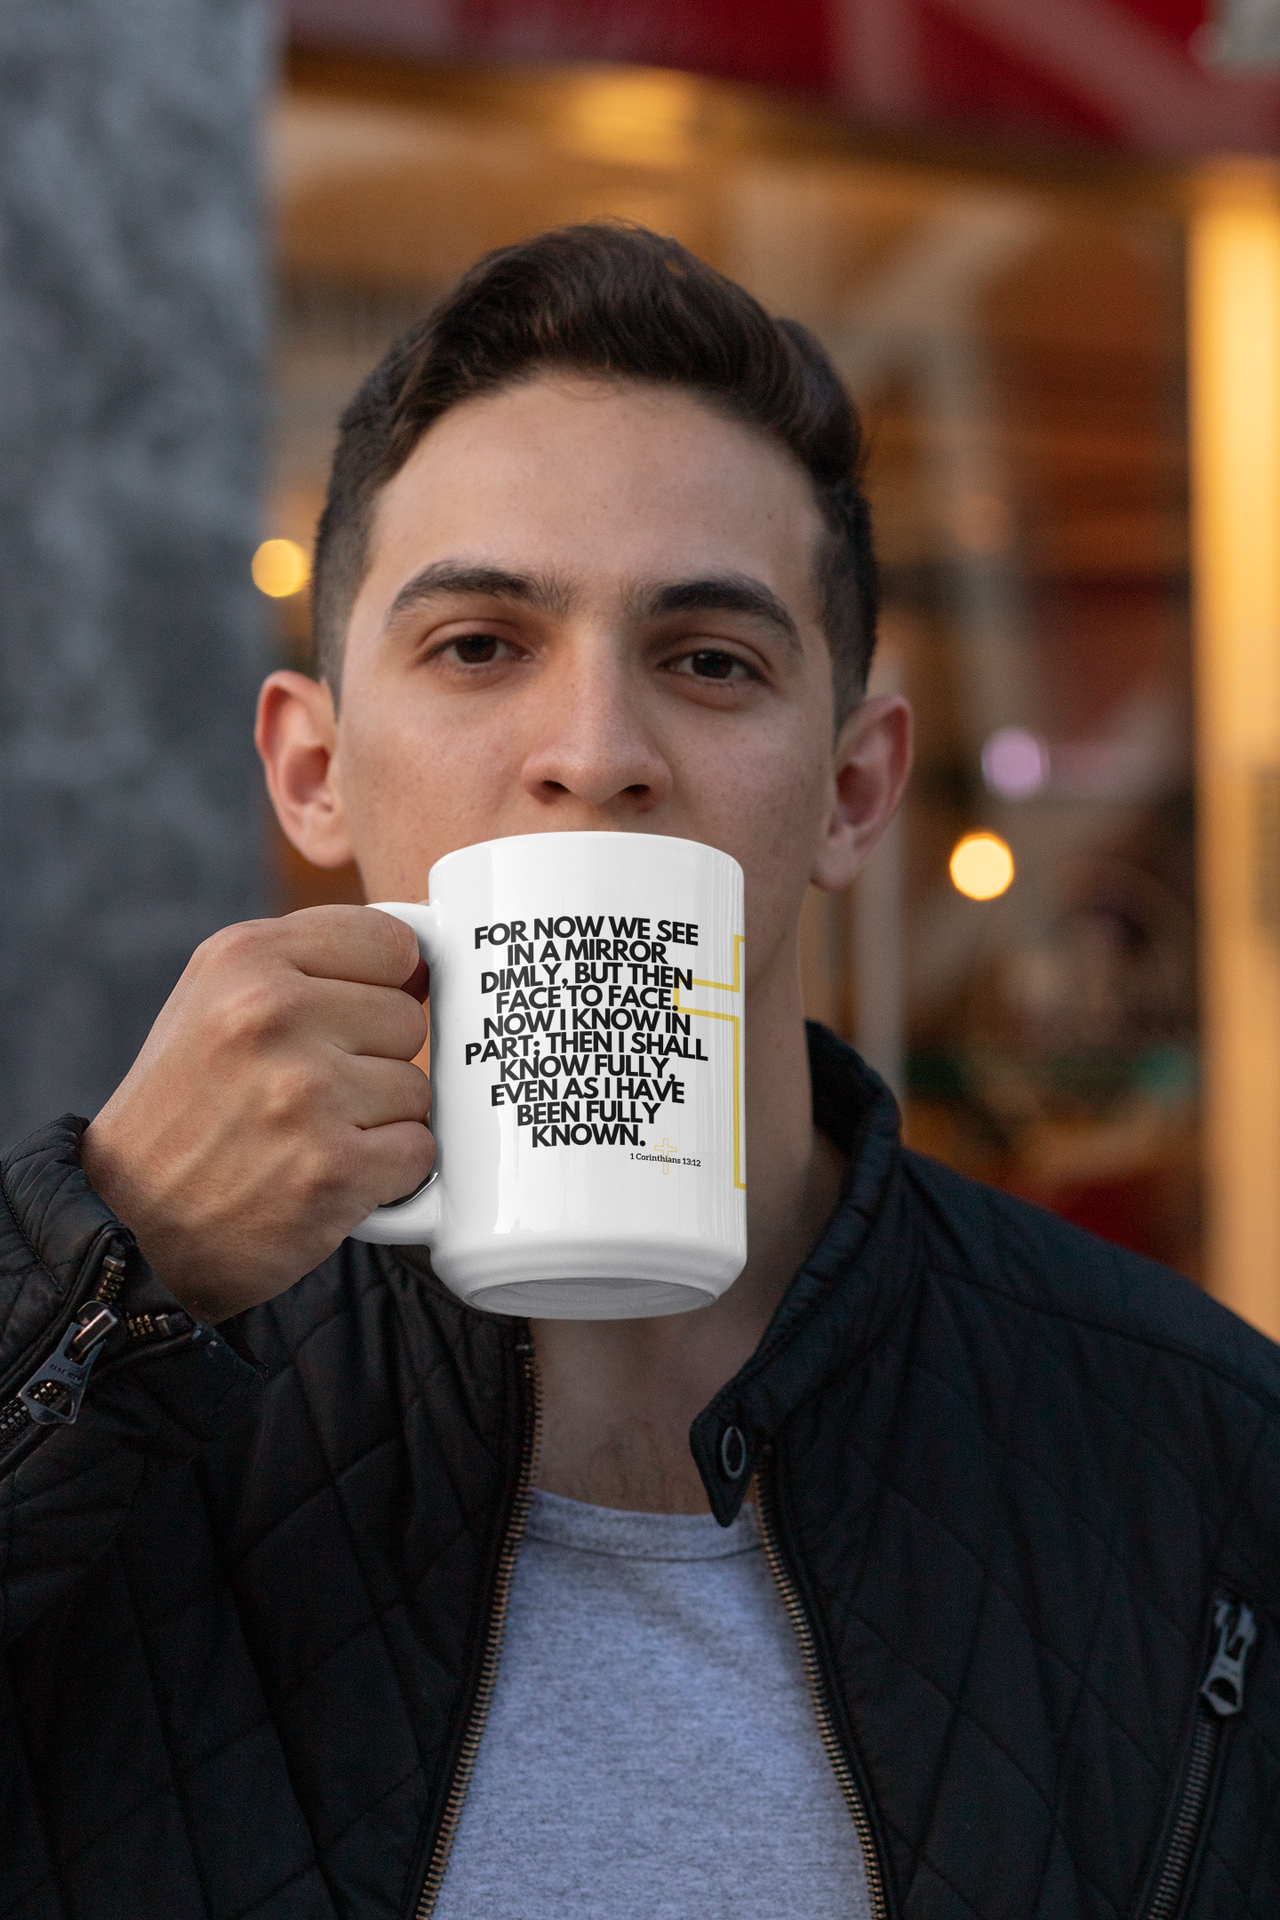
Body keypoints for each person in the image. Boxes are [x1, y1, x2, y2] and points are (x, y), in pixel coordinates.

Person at [2, 223, 1278, 1920]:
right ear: (312, 770)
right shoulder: (114, 1362)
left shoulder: (1195, 1444)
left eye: (709, 661)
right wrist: (100, 1280)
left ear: (852, 788)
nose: (595, 754)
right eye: (478, 646)